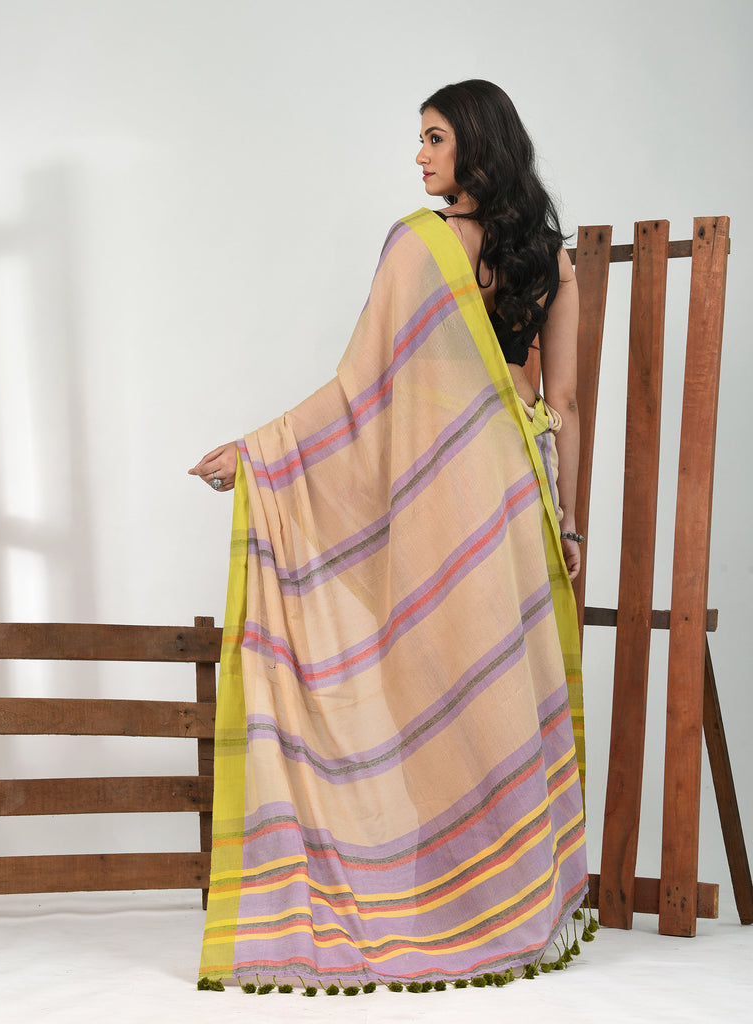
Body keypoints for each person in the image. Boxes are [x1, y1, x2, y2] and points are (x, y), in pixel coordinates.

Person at [193, 80, 590, 994]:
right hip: (515, 498)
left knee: (427, 687)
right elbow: (562, 403)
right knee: (491, 691)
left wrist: (259, 452)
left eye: (435, 138)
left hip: (438, 497)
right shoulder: (551, 256)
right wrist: (570, 524)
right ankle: (508, 907)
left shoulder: (423, 245)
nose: (420, 156)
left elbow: (358, 392)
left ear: (476, 142)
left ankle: (434, 908)